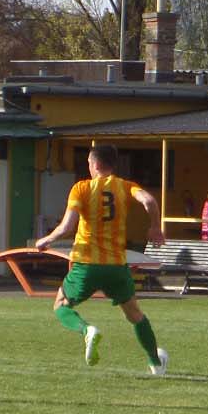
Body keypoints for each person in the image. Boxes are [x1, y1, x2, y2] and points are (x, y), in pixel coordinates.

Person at [36, 142, 169, 375]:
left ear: (95, 164)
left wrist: (46, 240)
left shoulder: (81, 188)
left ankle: (87, 330)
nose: (88, 166)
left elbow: (67, 226)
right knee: (134, 314)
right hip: (116, 266)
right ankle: (155, 364)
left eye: (88, 162)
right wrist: (155, 227)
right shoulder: (125, 187)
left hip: (87, 263)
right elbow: (149, 200)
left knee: (60, 304)